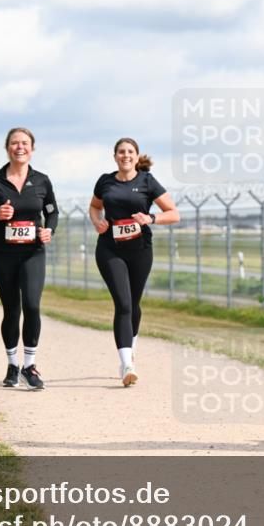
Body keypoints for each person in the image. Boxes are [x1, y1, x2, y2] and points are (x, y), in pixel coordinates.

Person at [0, 127, 58, 391]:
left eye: (25, 143)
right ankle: (12, 364)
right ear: (7, 148)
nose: (20, 147)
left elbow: (52, 212)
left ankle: (30, 365)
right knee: (12, 309)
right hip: (3, 254)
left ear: (32, 148)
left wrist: (49, 229)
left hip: (33, 252)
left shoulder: (42, 180)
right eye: (15, 143)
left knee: (31, 305)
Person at [89, 138, 179, 387]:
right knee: (124, 303)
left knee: (134, 303)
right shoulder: (105, 181)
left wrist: (150, 218)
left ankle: (131, 346)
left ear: (137, 157)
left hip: (140, 250)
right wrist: (97, 221)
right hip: (110, 249)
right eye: (121, 152)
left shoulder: (147, 181)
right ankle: (126, 364)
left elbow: (173, 213)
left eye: (130, 152)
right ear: (115, 156)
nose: (125, 155)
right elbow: (95, 207)